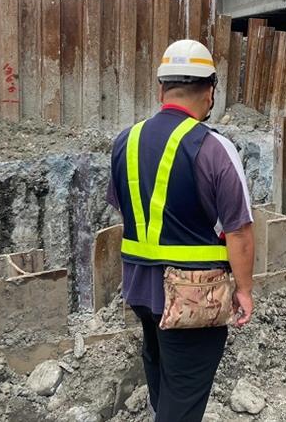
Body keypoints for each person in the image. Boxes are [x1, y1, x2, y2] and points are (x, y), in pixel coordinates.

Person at [107, 39, 255, 422]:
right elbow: (238, 231)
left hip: (141, 287)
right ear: (210, 91)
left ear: (161, 89)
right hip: (194, 295)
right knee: (185, 395)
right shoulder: (214, 147)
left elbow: (127, 208)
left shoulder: (126, 140)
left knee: (162, 375)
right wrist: (244, 290)